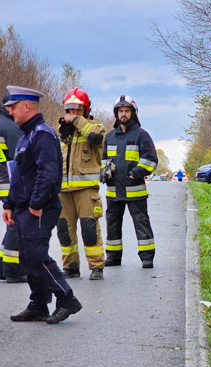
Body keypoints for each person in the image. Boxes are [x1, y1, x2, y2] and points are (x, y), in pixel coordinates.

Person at [1, 85, 82, 323]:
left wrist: (36, 203)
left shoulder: (42, 134)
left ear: (27, 107)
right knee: (27, 258)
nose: (11, 112)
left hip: (40, 207)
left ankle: (67, 298)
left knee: (37, 257)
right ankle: (38, 305)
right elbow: (19, 175)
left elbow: (48, 173)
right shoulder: (27, 135)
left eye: (13, 107)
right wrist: (9, 204)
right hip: (25, 207)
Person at [57, 88, 107, 280]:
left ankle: (96, 267)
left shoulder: (95, 127)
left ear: (85, 110)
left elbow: (95, 138)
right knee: (64, 230)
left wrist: (77, 121)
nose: (72, 113)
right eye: (69, 110)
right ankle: (70, 266)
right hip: (63, 191)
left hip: (86, 190)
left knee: (89, 228)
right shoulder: (63, 133)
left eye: (77, 110)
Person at [102, 95, 157, 268]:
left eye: (126, 111)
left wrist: (135, 174)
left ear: (133, 113)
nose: (123, 114)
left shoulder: (142, 136)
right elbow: (104, 159)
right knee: (112, 224)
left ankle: (147, 257)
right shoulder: (109, 137)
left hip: (135, 190)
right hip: (113, 191)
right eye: (120, 111)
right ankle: (113, 256)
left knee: (141, 222)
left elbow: (151, 159)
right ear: (116, 114)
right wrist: (105, 172)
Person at [0, 93, 25, 283]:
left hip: (3, 183)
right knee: (16, 226)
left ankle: (3, 268)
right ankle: (13, 270)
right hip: (13, 184)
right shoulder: (11, 127)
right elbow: (21, 155)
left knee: (11, 223)